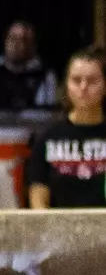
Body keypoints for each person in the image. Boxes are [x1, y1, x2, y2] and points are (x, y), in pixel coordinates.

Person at [27, 50, 106, 209]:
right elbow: (38, 201)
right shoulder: (46, 137)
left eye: (92, 80)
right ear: (66, 86)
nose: (83, 87)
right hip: (59, 232)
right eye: (76, 80)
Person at [0, 20, 59, 112]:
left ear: (33, 45)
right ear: (5, 41)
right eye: (13, 38)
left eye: (24, 40)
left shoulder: (45, 76)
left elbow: (48, 113)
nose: (18, 44)